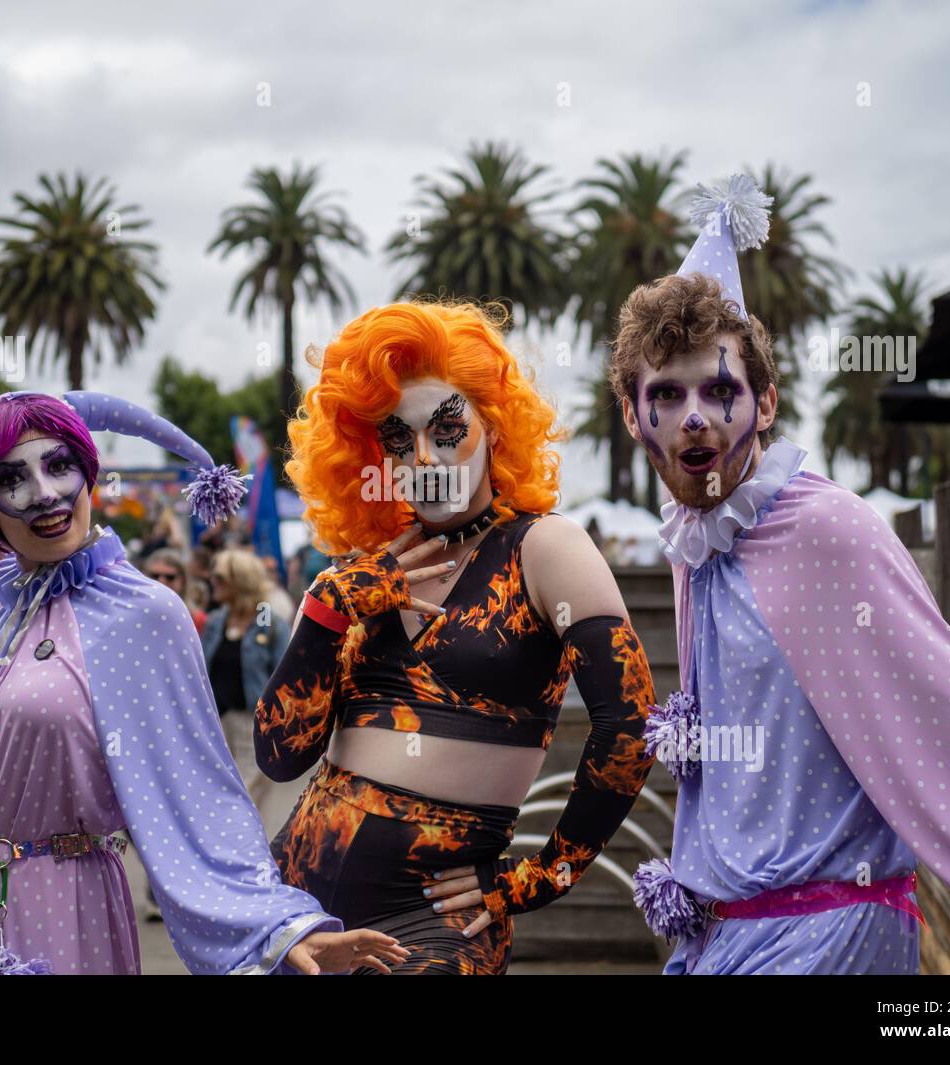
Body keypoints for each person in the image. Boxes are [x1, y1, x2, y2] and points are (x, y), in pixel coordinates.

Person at [611, 173, 950, 973]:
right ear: (632, 414)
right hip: (721, 938)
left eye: (720, 389)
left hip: (827, 936)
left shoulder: (826, 531)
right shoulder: (698, 542)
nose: (695, 416)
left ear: (766, 404)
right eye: (668, 393)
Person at [0, 391, 406, 975]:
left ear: (88, 473)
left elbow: (199, 793)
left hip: (59, 906)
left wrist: (278, 927)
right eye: (11, 478)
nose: (44, 494)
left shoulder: (145, 614)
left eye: (59, 466)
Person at [254, 301, 657, 974]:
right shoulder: (354, 571)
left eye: (446, 429)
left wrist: (540, 876)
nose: (424, 458)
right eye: (397, 439)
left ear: (493, 427)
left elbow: (632, 722)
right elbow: (278, 755)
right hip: (294, 917)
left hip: (434, 930)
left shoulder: (544, 547)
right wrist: (329, 608)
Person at [200, 549, 289, 716]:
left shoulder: (271, 624)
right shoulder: (214, 621)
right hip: (213, 721)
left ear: (241, 581)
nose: (212, 581)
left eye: (220, 577)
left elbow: (285, 684)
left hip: (253, 723)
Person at [144, 548, 207, 635]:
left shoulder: (197, 620)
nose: (161, 582)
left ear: (183, 581)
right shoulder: (136, 616)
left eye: (170, 577)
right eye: (155, 576)